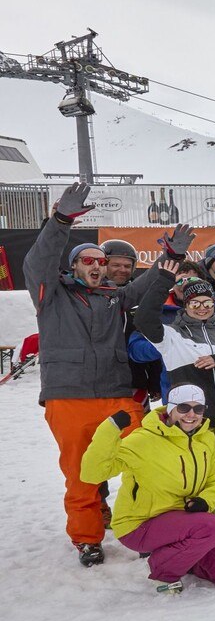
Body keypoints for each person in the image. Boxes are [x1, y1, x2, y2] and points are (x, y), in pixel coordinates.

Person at [24, 184, 179, 566]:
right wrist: (60, 221)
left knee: (146, 462)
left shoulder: (114, 297)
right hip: (69, 398)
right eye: (87, 261)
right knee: (81, 476)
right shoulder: (50, 296)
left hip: (117, 396)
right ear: (73, 266)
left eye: (99, 262)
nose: (95, 266)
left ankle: (146, 526)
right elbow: (37, 262)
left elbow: (144, 285)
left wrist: (170, 257)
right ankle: (87, 538)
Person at [79, 385, 215, 593]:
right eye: (184, 407)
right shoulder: (143, 439)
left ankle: (181, 556)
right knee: (214, 526)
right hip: (141, 525)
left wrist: (206, 501)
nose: (191, 415)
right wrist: (110, 430)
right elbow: (92, 474)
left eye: (199, 409)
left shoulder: (206, 439)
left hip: (185, 522)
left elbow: (214, 481)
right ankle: (163, 568)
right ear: (170, 409)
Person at [134, 269, 215, 427]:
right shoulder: (171, 334)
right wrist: (164, 281)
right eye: (195, 303)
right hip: (193, 423)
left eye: (207, 303)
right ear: (186, 305)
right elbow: (143, 319)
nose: (202, 308)